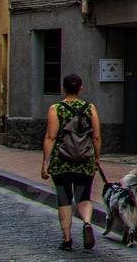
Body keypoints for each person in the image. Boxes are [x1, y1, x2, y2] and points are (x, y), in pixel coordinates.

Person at [41, 73, 102, 251]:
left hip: (62, 162)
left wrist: (45, 162)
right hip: (84, 161)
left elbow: (51, 137)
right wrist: (96, 158)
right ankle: (87, 223)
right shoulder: (90, 108)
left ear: (63, 88)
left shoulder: (56, 109)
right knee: (83, 196)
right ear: (80, 88)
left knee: (64, 198)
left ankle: (67, 239)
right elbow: (96, 136)